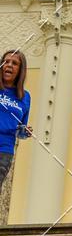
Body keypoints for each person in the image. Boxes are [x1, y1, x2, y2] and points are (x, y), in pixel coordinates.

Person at [0, 50, 32, 191]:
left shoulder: (25, 97)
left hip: (5, 150)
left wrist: (25, 132)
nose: (9, 65)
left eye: (14, 63)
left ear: (20, 70)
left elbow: (20, 130)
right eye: (6, 62)